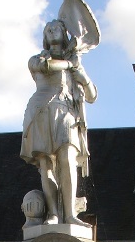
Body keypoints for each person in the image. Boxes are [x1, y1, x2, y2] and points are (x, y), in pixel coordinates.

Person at [21, 19, 97, 227]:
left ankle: (70, 214)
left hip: (66, 113)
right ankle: (53, 214)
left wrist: (82, 76)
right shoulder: (37, 60)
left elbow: (91, 96)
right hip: (40, 111)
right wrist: (70, 64)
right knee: (46, 165)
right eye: (48, 29)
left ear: (65, 34)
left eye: (57, 28)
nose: (53, 31)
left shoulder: (75, 64)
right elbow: (47, 67)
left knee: (67, 159)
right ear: (45, 38)